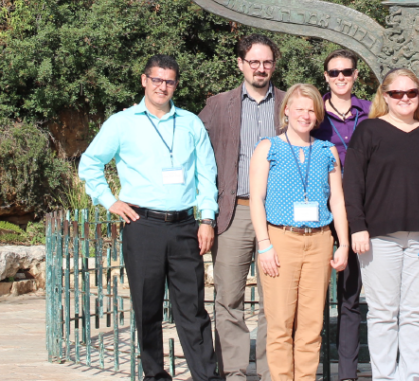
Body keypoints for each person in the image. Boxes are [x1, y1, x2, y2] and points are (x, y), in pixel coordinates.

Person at [78, 55, 221, 381]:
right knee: (147, 307)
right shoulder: (121, 123)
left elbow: (206, 175)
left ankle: (205, 376)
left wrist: (207, 219)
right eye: (157, 80)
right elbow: (89, 164)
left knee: (193, 309)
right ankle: (155, 375)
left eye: (169, 81)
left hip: (186, 226)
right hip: (142, 226)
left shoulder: (190, 123)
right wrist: (109, 201)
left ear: (175, 84)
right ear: (144, 80)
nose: (162, 86)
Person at [344, 68, 419, 381]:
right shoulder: (368, 132)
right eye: (397, 93)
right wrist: (358, 226)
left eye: (412, 92)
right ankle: (384, 376)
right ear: (385, 96)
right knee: (383, 313)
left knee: (416, 312)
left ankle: (412, 376)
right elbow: (352, 184)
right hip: (379, 237)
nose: (405, 98)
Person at [249, 83, 351, 381]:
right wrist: (264, 244)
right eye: (300, 109)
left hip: (319, 241)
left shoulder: (326, 150)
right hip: (281, 238)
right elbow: (256, 198)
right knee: (280, 323)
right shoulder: (269, 147)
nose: (305, 115)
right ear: (287, 111)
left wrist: (342, 243)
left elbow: (337, 200)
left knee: (310, 325)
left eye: (311, 110)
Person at [199, 34, 286, 381]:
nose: (260, 68)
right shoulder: (218, 105)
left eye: (266, 62)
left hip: (277, 215)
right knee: (229, 298)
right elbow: (195, 150)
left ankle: (270, 372)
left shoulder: (288, 102)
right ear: (240, 64)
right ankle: (234, 372)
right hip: (233, 212)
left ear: (274, 65)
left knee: (274, 301)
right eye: (254, 62)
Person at [310, 49, 371, 381]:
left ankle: (347, 374)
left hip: (360, 213)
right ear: (326, 77)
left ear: (356, 75)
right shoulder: (313, 114)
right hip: (319, 213)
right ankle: (310, 370)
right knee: (312, 297)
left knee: (350, 297)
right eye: (334, 73)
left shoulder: (372, 113)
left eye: (346, 72)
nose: (340, 78)